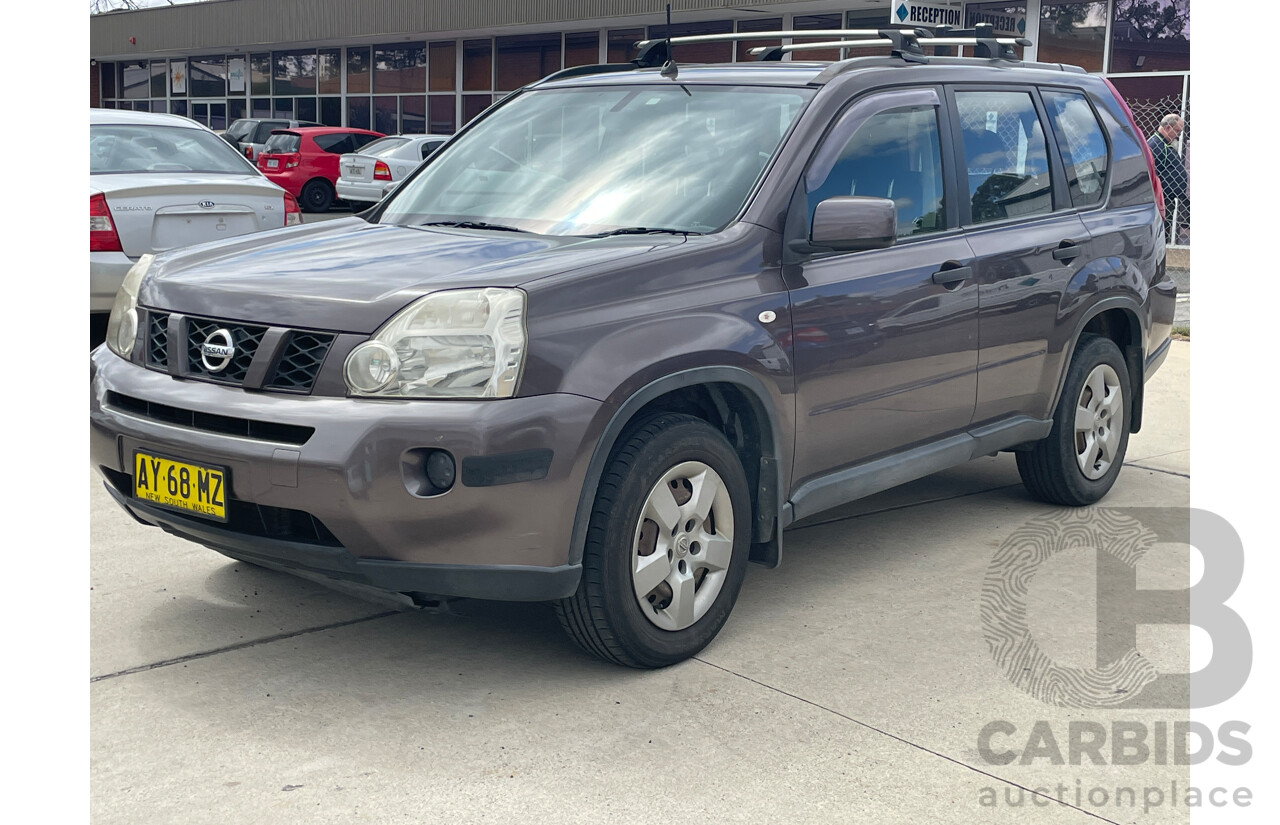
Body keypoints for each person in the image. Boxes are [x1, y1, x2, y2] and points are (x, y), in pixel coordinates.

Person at [1147, 113, 1188, 243]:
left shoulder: (1165, 144)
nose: (1178, 135)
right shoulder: (1155, 145)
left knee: (1165, 231)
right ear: (1168, 128)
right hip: (1162, 198)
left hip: (1168, 197)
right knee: (1161, 234)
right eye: (1177, 131)